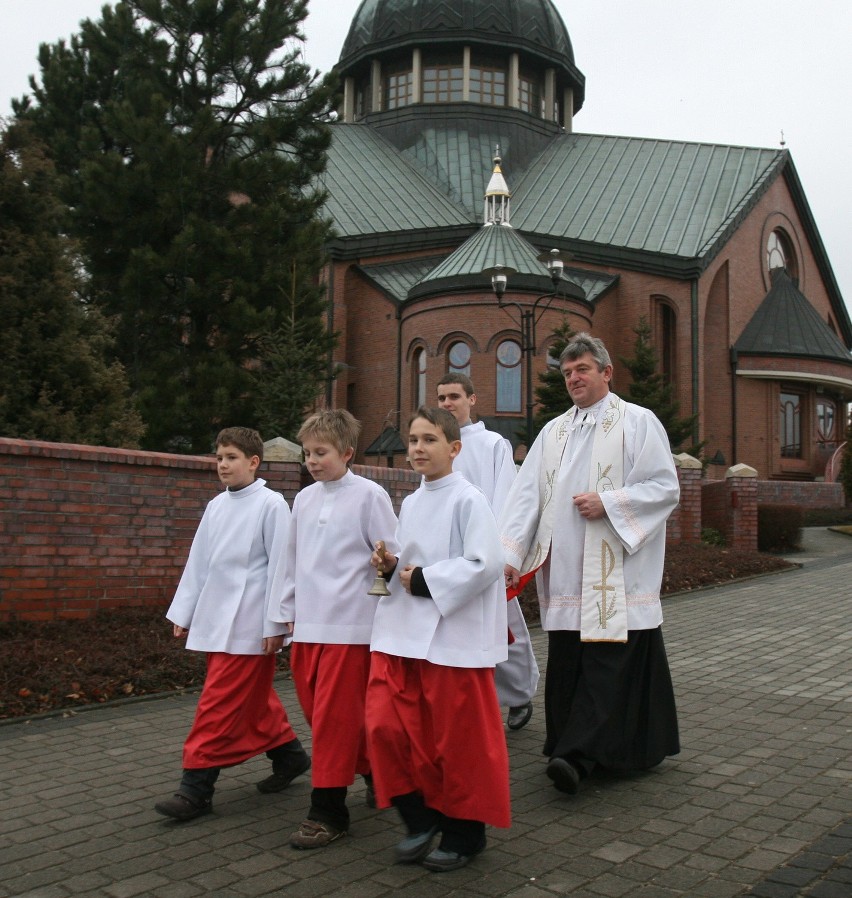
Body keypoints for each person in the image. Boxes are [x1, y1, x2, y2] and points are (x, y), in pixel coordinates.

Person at [499, 333, 681, 795]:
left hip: (615, 573)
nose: (574, 378)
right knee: (569, 662)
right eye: (566, 373)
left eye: (582, 369)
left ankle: (576, 757)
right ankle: (572, 746)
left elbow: (664, 487)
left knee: (607, 665)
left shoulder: (637, 422)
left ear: (606, 372)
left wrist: (611, 503)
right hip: (565, 573)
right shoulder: (553, 431)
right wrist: (510, 556)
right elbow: (525, 498)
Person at [366, 406, 511, 873]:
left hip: (453, 639)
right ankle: (419, 816)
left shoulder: (470, 499)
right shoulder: (411, 501)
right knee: (385, 727)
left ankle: (466, 833)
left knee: (458, 742)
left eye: (429, 439)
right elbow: (411, 563)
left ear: (454, 448)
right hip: (404, 634)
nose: (417, 448)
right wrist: (391, 568)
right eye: (412, 440)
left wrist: (425, 579)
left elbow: (484, 563)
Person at [154, 427, 309, 822]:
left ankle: (195, 789)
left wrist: (278, 623)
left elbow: (282, 568)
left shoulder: (272, 505)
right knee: (252, 701)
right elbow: (200, 561)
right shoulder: (216, 506)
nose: (223, 465)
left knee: (217, 705)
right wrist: (185, 611)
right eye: (219, 457)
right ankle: (289, 757)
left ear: (254, 462)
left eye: (231, 457)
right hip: (215, 618)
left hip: (251, 626)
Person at [271, 409, 399, 850]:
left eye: (321, 452)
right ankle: (375, 772)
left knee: (331, 722)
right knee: (317, 713)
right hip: (307, 626)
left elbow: (391, 554)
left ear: (346, 453)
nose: (312, 460)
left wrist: (385, 565)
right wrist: (283, 613)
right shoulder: (304, 499)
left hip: (350, 626)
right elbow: (290, 560)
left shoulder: (369, 495)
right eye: (307, 452)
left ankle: (328, 811)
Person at [436, 373, 539, 730]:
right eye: (442, 398)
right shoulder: (436, 444)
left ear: (472, 399)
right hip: (448, 557)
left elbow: (505, 496)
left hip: (486, 552)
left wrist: (502, 552)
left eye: (454, 396)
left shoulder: (493, 443)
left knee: (505, 626)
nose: (447, 403)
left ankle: (519, 693)